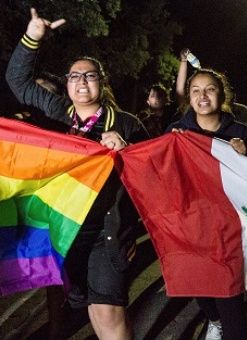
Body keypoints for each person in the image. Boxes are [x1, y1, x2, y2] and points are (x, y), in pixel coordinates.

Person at [5, 8, 147, 340]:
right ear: (66, 84)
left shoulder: (127, 124)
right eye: (74, 76)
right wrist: (33, 37)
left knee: (107, 311)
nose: (82, 81)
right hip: (62, 230)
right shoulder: (56, 115)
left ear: (102, 81)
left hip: (105, 234)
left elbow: (150, 180)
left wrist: (127, 152)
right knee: (75, 303)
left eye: (90, 75)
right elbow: (18, 82)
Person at [167, 68, 247, 340]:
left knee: (230, 298)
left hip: (227, 227)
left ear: (221, 95)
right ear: (189, 97)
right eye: (196, 90)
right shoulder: (177, 131)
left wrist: (245, 156)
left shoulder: (239, 132)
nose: (203, 96)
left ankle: (226, 323)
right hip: (189, 225)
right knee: (199, 284)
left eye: (210, 89)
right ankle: (213, 318)